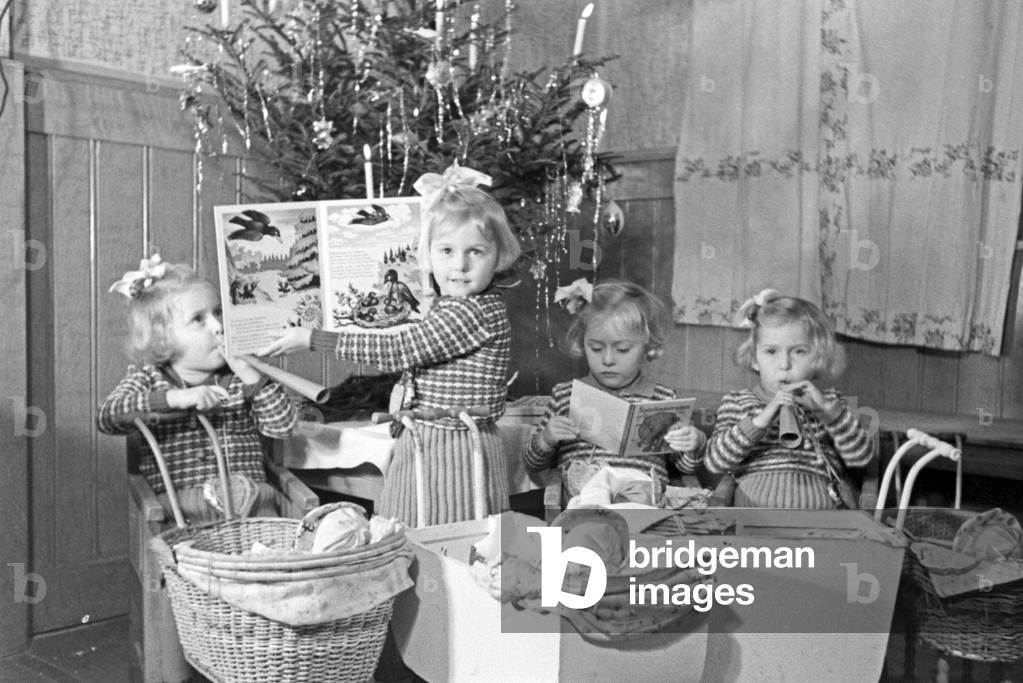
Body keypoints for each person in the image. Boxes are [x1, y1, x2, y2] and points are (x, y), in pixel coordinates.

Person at [259, 165, 521, 527]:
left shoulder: (469, 312)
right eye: (446, 250)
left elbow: (400, 349)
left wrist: (313, 338)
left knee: (443, 525)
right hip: (439, 435)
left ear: (499, 255)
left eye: (475, 252)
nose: (459, 265)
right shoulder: (468, 304)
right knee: (434, 526)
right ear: (427, 255)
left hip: (454, 448)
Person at [97, 255, 297, 522]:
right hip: (184, 514)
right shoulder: (150, 377)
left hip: (254, 509)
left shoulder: (240, 379)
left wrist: (250, 373)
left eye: (218, 313)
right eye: (199, 320)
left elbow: (285, 426)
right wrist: (174, 399)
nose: (217, 327)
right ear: (163, 336)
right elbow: (107, 416)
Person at [522, 279, 706, 504]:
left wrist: (693, 444)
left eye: (622, 349)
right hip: (583, 505)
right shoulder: (566, 396)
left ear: (648, 347)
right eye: (596, 348)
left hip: (642, 505)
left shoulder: (665, 399)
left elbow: (684, 468)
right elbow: (533, 464)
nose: (608, 360)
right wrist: (546, 438)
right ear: (582, 343)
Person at [704, 289, 873, 508]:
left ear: (818, 359)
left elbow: (861, 457)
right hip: (754, 515)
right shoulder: (737, 402)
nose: (784, 364)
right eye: (771, 352)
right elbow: (714, 461)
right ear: (755, 359)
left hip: (822, 517)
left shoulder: (829, 401)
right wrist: (760, 421)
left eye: (799, 352)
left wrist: (827, 411)